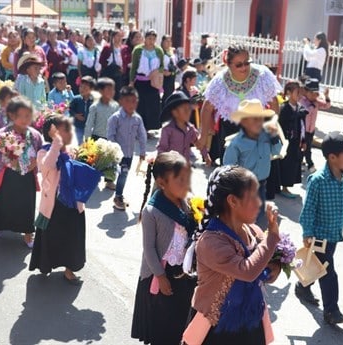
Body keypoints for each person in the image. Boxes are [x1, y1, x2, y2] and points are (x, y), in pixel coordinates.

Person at [186, 166, 280, 344]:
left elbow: (265, 272)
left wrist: (275, 268)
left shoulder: (254, 231)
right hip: (216, 327)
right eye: (252, 197)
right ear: (232, 201)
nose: (259, 203)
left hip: (250, 321)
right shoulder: (211, 242)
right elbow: (247, 272)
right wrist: (272, 237)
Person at [297, 132, 343, 325]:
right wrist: (307, 232)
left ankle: (303, 286)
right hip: (319, 234)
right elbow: (309, 209)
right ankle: (331, 310)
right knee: (329, 272)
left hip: (334, 234)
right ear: (332, 157)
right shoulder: (318, 180)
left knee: (318, 266)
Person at [131, 151, 197, 344]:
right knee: (161, 324)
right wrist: (160, 277)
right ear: (162, 183)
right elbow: (149, 250)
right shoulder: (152, 211)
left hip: (182, 272)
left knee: (178, 321)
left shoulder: (185, 204)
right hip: (160, 274)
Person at [30, 115, 101, 282]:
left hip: (72, 203)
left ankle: (69, 270)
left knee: (72, 238)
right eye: (63, 129)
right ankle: (46, 265)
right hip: (53, 205)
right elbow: (48, 165)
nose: (68, 132)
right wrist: (57, 143)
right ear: (52, 132)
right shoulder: (44, 152)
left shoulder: (71, 152)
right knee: (51, 238)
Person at [198, 45, 282, 163]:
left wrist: (272, 127)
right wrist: (203, 135)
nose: (244, 67)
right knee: (231, 173)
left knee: (256, 171)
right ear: (228, 64)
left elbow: (274, 102)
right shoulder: (220, 82)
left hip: (256, 128)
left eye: (247, 63)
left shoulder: (261, 75)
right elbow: (207, 108)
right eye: (239, 65)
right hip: (230, 129)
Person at [0, 96, 43, 248]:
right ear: (12, 115)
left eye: (29, 116)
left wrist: (36, 162)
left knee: (27, 205)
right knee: (3, 202)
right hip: (7, 175)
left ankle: (28, 234)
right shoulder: (3, 134)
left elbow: (41, 151)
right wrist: (7, 159)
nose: (26, 119)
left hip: (27, 176)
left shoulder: (35, 135)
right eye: (22, 116)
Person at [223, 99, 282, 223]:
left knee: (258, 213)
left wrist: (274, 136)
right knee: (246, 216)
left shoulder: (267, 136)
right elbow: (228, 168)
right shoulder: (236, 143)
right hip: (245, 186)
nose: (259, 122)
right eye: (254, 119)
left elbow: (277, 151)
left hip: (261, 184)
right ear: (244, 122)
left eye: (260, 118)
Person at [108, 86, 147, 211]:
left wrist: (142, 151)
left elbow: (142, 135)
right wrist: (114, 152)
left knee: (124, 174)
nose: (132, 104)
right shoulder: (115, 118)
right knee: (123, 174)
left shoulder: (137, 118)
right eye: (128, 101)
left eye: (135, 101)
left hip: (130, 154)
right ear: (121, 101)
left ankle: (119, 194)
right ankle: (118, 197)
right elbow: (110, 136)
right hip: (118, 154)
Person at [157, 91, 210, 165]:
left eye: (188, 109)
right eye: (184, 109)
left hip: (185, 166)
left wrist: (206, 155)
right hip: (171, 165)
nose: (188, 112)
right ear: (174, 112)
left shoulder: (190, 128)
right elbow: (162, 148)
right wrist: (162, 163)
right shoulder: (167, 130)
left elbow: (198, 142)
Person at [129, 29, 164, 134]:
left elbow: (162, 66)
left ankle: (149, 128)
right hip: (141, 82)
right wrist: (131, 81)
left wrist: (157, 71)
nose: (151, 41)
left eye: (153, 39)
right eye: (149, 38)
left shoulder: (159, 51)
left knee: (152, 105)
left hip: (153, 82)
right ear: (145, 38)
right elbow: (134, 67)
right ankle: (139, 128)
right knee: (141, 106)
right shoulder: (138, 50)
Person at [278, 81, 307, 198]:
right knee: (285, 164)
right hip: (286, 141)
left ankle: (287, 185)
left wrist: (304, 141)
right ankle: (283, 187)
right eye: (297, 92)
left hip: (296, 142)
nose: (299, 95)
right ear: (289, 93)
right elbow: (280, 125)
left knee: (294, 164)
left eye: (300, 92)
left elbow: (303, 126)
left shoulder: (300, 108)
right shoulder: (285, 108)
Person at [299, 78, 331, 173]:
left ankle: (300, 163)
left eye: (316, 94)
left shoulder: (316, 101)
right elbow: (307, 111)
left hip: (311, 130)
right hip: (302, 130)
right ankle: (310, 164)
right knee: (305, 148)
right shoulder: (302, 101)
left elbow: (326, 105)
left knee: (307, 147)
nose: (315, 96)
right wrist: (312, 106)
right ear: (306, 92)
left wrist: (326, 96)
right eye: (312, 93)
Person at [84, 77, 119, 141]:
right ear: (101, 91)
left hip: (111, 139)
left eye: (113, 89)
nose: (112, 92)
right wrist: (87, 142)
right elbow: (89, 126)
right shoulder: (95, 107)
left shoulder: (115, 106)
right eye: (109, 89)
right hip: (97, 139)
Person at [69, 76, 96, 144]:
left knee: (90, 144)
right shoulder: (76, 99)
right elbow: (70, 109)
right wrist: (76, 115)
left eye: (84, 87)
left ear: (91, 89)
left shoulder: (94, 101)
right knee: (79, 143)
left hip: (91, 128)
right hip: (78, 126)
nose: (82, 89)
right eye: (80, 87)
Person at [99, 29, 125, 99]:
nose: (119, 38)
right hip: (109, 74)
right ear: (113, 37)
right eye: (117, 36)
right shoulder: (107, 48)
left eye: (120, 36)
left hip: (118, 75)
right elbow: (101, 61)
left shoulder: (122, 48)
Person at [160, 35, 177, 104]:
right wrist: (163, 72)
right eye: (166, 41)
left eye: (170, 41)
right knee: (165, 96)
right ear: (162, 42)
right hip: (164, 77)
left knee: (170, 94)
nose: (169, 43)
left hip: (172, 76)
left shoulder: (172, 52)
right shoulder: (160, 52)